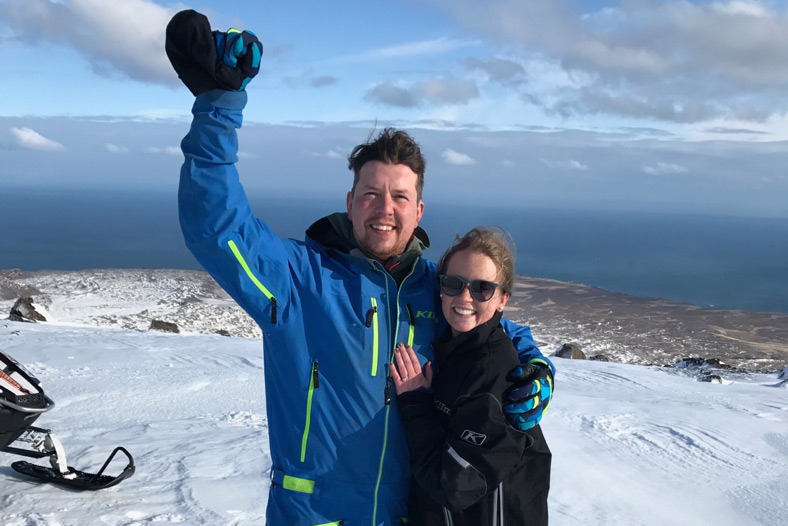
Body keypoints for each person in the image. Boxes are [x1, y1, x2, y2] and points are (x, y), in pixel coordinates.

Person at [165, 10, 555, 525]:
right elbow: (217, 229)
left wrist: (535, 368)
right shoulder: (300, 279)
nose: (384, 208)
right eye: (371, 194)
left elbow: (493, 328)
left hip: (405, 513)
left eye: (399, 196)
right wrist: (218, 109)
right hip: (314, 512)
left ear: (418, 212)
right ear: (350, 203)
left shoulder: (437, 288)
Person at [391, 227, 551, 525]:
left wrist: (415, 404)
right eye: (454, 283)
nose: (464, 297)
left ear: (502, 299)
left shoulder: (495, 373)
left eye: (482, 289)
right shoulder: (453, 350)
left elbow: (453, 486)